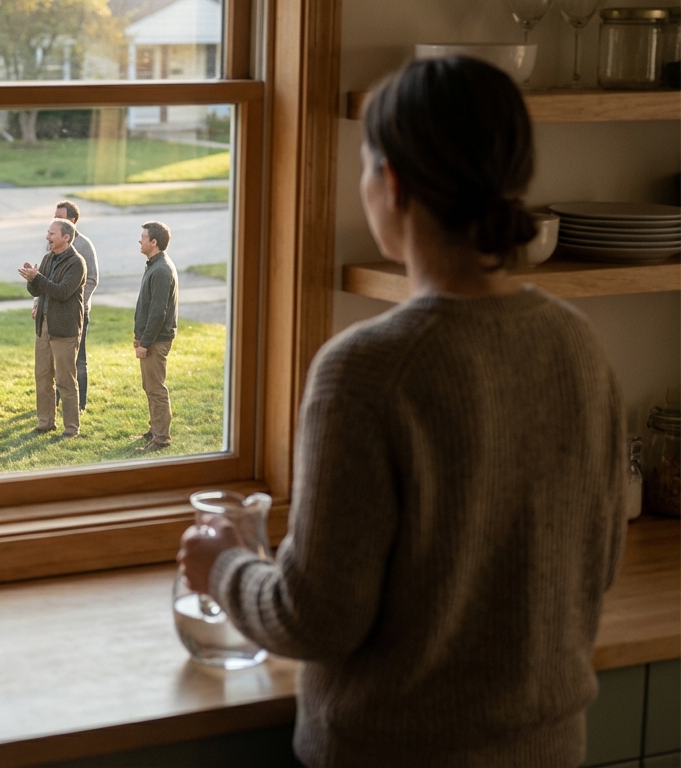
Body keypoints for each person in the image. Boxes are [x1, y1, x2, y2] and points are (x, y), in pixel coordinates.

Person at [177, 57, 626, 767]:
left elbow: (315, 620)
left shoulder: (367, 369)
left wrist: (225, 562)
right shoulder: (577, 342)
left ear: (392, 182)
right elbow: (596, 566)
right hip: (550, 749)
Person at [19, 218, 86, 439]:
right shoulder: (48, 258)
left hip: (64, 329)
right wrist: (32, 279)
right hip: (44, 325)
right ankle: (45, 422)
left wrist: (38, 278)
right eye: (48, 233)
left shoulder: (77, 263)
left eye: (52, 234)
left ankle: (71, 428)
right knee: (42, 375)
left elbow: (62, 292)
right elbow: (38, 291)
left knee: (66, 380)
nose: (48, 237)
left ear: (66, 238)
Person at [133, 221, 178, 451]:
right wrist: (139, 337)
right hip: (150, 338)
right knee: (149, 386)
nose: (139, 240)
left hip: (157, 340)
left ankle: (161, 439)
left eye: (143, 237)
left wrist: (146, 342)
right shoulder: (154, 265)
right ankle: (155, 428)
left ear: (154, 242)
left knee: (156, 389)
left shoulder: (161, 270)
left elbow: (158, 312)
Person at [56, 201, 98, 411]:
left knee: (78, 359)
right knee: (57, 358)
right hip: (55, 312)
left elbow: (92, 279)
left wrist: (76, 304)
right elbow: (46, 276)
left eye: (60, 217)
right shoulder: (53, 242)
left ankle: (80, 404)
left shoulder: (83, 245)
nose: (55, 221)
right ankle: (55, 400)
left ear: (73, 220)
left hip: (78, 312)